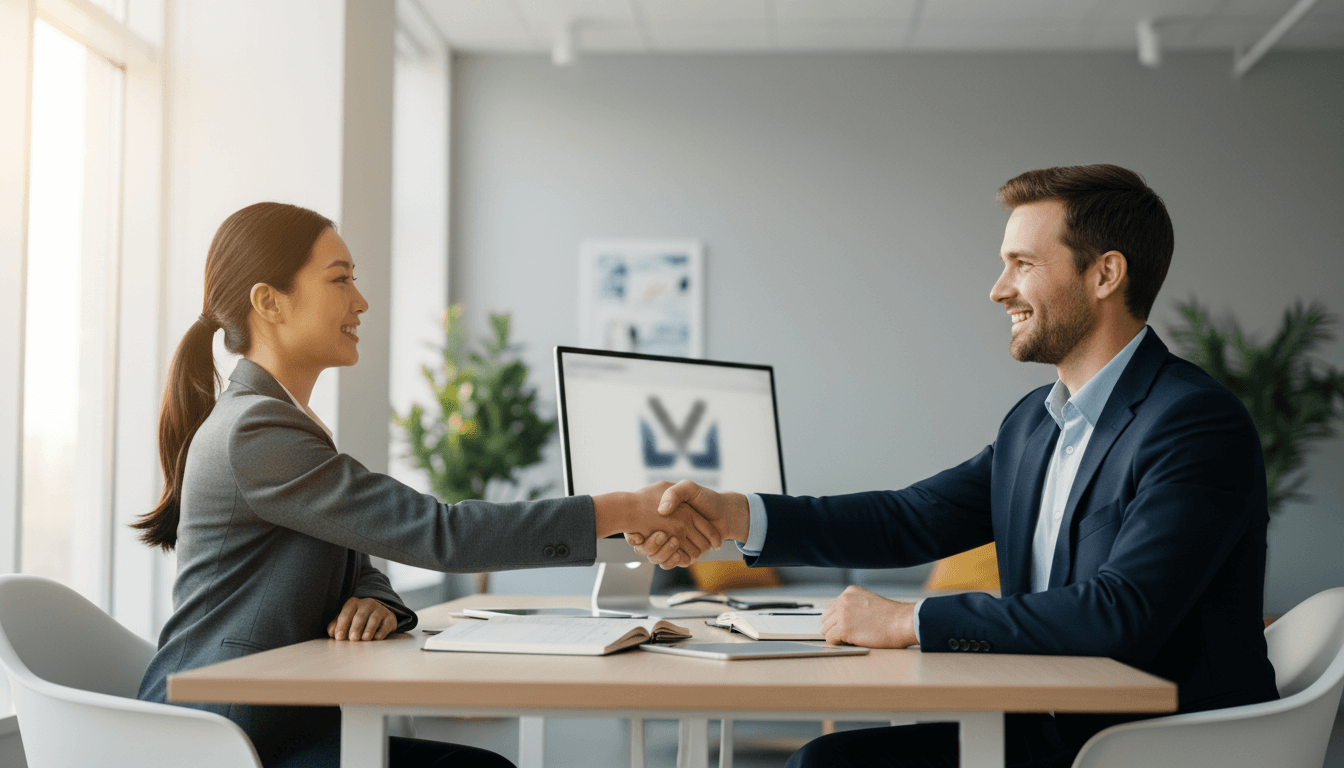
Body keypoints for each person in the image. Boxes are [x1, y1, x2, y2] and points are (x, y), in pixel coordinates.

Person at [629, 165, 1278, 768]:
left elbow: (1121, 612)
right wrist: (738, 514)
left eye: (1022, 264)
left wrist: (909, 621)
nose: (999, 290)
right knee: (826, 761)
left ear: (1105, 275)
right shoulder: (1035, 423)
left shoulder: (1193, 423)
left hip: (1149, 747)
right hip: (1050, 727)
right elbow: (910, 520)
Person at [134, 202, 717, 768]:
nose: (360, 301)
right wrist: (621, 508)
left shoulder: (276, 422)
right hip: (225, 736)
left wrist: (380, 602)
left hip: (272, 722)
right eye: (340, 280)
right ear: (269, 302)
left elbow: (355, 564)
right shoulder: (257, 431)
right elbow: (440, 534)